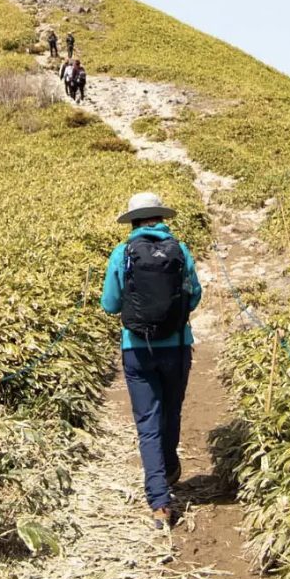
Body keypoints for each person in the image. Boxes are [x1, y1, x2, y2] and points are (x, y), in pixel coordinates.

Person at [101, 193, 202, 529]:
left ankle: (159, 503)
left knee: (148, 421)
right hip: (176, 344)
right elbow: (195, 296)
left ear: (132, 221)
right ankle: (171, 464)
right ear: (160, 218)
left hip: (136, 348)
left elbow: (110, 304)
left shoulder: (122, 253)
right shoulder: (180, 249)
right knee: (171, 410)